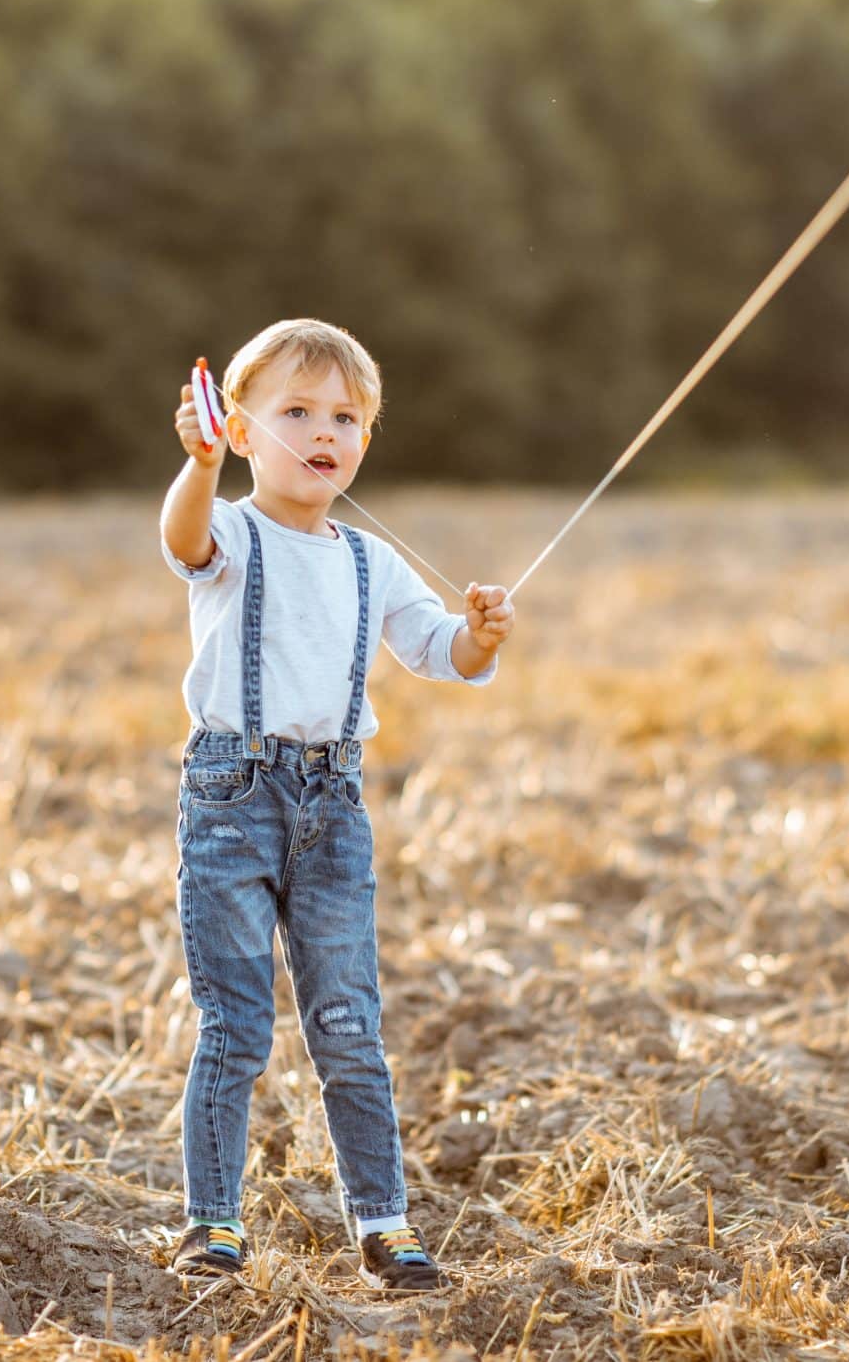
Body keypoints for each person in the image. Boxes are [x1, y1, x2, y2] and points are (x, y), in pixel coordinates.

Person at [158, 318, 514, 1295]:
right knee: (234, 1022)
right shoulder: (230, 526)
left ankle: (384, 1222)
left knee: (349, 1020)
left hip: (332, 802)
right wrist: (192, 467)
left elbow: (439, 651)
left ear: (364, 438)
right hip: (231, 794)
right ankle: (214, 1221)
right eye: (296, 411)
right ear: (238, 431)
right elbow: (181, 537)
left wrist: (480, 635)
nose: (323, 431)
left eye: (345, 416)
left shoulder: (371, 561)